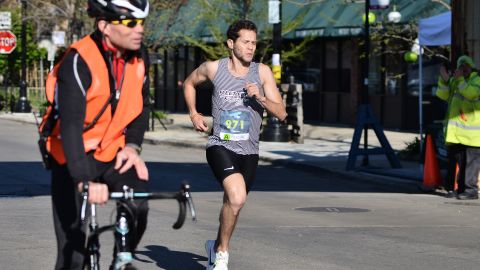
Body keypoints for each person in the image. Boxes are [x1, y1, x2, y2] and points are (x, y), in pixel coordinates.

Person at [40, 0, 151, 269]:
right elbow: (70, 126)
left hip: (112, 151)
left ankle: (121, 259)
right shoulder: (78, 61)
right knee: (73, 253)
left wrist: (132, 147)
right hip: (71, 156)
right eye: (130, 23)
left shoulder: (139, 56)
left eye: (142, 22)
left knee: (138, 206)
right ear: (104, 26)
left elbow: (141, 104)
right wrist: (82, 180)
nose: (139, 30)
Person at [183, 19, 287, 270]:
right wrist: (194, 114)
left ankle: (215, 245)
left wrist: (259, 97)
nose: (251, 47)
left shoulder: (261, 73)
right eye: (245, 42)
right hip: (221, 146)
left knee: (234, 204)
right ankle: (222, 255)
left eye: (254, 42)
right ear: (231, 43)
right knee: (237, 197)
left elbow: (282, 114)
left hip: (249, 151)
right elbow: (188, 83)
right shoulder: (213, 69)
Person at [436, 55, 480, 200]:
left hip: (474, 133)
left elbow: (471, 94)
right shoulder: (456, 81)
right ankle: (460, 189)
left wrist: (458, 79)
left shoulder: (477, 80)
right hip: (458, 133)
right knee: (460, 163)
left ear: (471, 67)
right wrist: (444, 78)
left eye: (465, 66)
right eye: (460, 66)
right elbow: (442, 95)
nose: (462, 69)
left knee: (471, 164)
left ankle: (471, 190)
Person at [436, 60, 466, 198]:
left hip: (464, 130)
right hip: (453, 131)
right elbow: (442, 95)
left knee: (462, 160)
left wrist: (450, 79)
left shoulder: (463, 83)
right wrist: (443, 80)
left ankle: (461, 188)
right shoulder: (453, 83)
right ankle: (453, 187)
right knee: (453, 159)